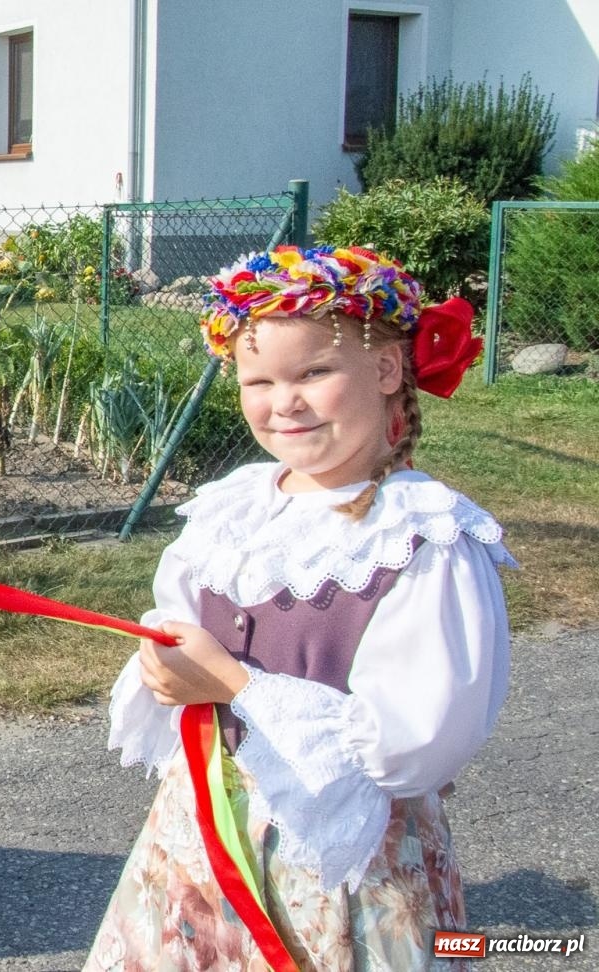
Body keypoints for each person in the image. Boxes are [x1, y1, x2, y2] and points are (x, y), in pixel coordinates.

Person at [85, 246, 513, 970]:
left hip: (342, 863)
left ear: (387, 370)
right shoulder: (233, 510)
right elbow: (178, 621)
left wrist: (234, 684)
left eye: (313, 373)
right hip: (202, 837)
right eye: (259, 381)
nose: (284, 402)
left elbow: (415, 744)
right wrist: (165, 661)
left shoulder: (423, 538)